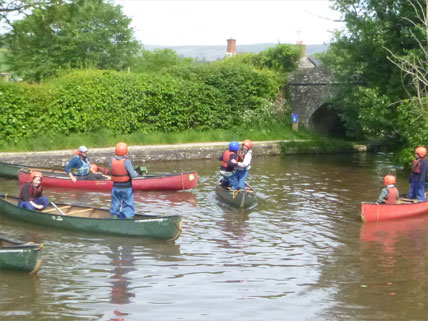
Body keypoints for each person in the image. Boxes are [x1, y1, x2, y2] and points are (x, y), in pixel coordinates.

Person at [110, 142, 138, 219]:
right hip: (126, 187)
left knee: (115, 204)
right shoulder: (127, 161)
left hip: (116, 187)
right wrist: (136, 173)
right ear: (125, 152)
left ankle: (114, 219)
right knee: (128, 204)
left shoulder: (112, 161)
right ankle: (129, 221)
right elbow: (133, 175)